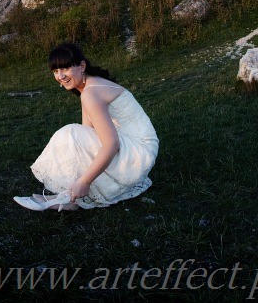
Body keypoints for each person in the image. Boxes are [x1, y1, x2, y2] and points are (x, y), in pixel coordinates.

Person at [13, 42, 159, 212]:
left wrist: (85, 181)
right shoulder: (89, 88)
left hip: (139, 153)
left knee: (69, 134)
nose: (60, 76)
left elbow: (112, 144)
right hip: (140, 149)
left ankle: (73, 196)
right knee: (75, 136)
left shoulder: (91, 93)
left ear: (82, 66)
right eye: (55, 71)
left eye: (65, 69)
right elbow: (87, 132)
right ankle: (69, 195)